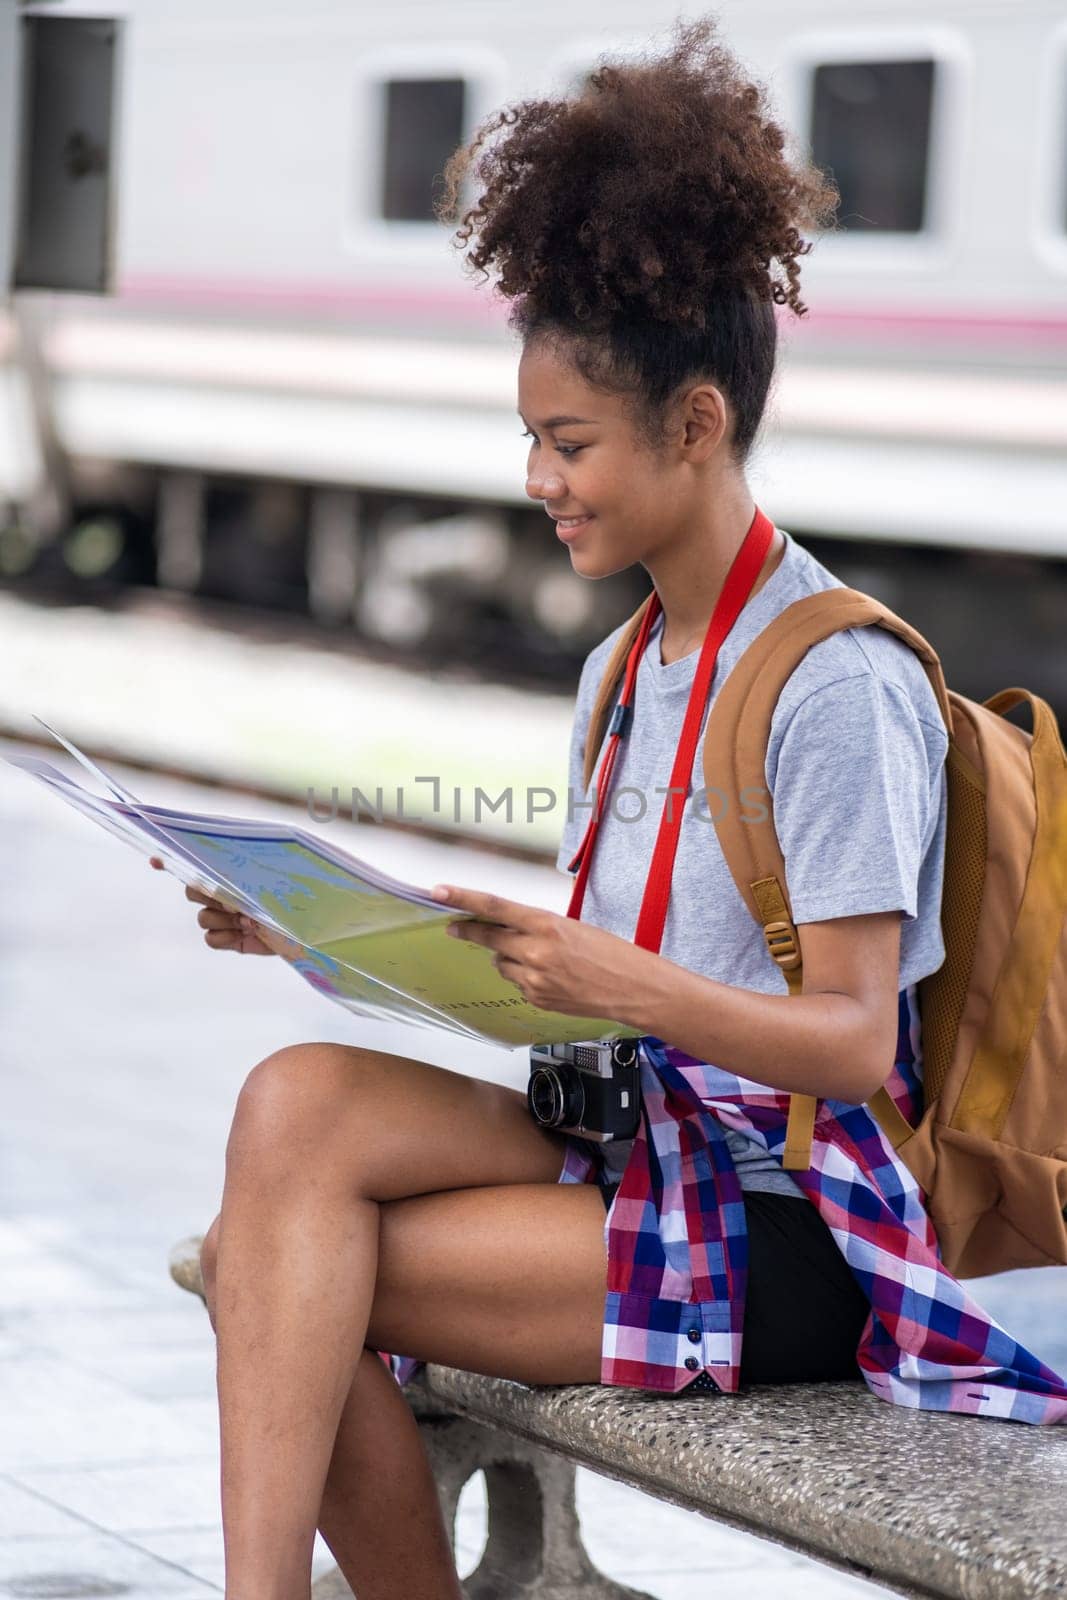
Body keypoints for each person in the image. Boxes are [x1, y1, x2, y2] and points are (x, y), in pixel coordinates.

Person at [152, 18, 1067, 1600]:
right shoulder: (628, 668)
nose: (537, 477)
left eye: (567, 441)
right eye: (532, 437)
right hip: (632, 1151)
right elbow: (597, 975)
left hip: (788, 1225)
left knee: (274, 1267)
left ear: (696, 423)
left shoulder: (835, 683)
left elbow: (854, 1043)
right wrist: (338, 934)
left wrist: (607, 981)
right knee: (293, 1102)